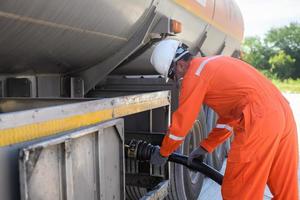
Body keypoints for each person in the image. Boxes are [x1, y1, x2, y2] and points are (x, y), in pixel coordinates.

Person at [149, 39, 298, 199]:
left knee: (239, 191)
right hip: (283, 114)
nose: (176, 81)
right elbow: (229, 120)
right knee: (285, 189)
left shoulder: (194, 75)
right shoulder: (215, 63)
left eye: (173, 76)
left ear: (179, 65)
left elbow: (182, 124)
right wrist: (206, 147)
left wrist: (164, 152)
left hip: (260, 120)